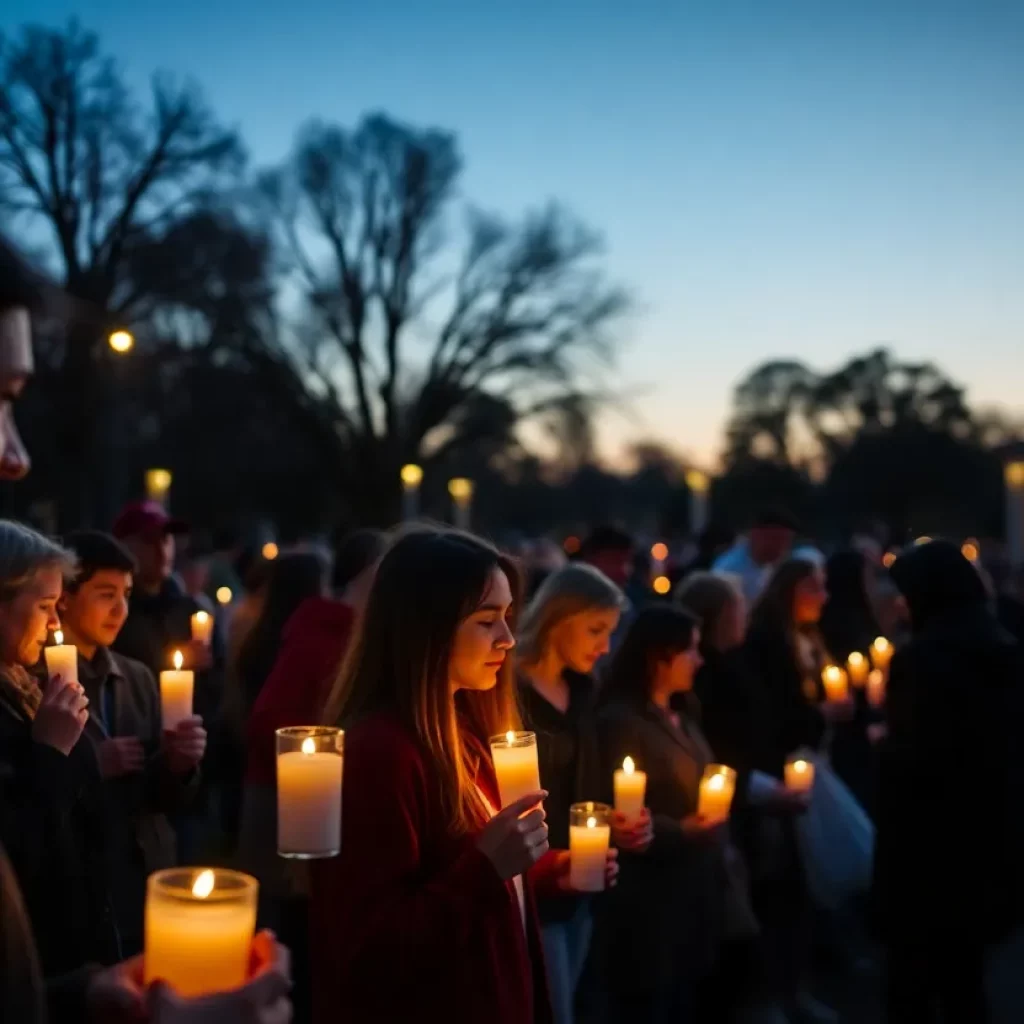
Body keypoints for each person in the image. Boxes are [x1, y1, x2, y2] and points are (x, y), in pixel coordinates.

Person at [311, 527, 554, 1024]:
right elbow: (369, 949)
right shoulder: (380, 755)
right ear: (428, 629)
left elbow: (482, 888)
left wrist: (552, 875)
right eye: (488, 621)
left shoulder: (464, 735)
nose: (508, 639)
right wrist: (488, 869)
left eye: (508, 617)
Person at [877, 541, 1024, 1022]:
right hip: (990, 836)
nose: (900, 603)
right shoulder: (1004, 650)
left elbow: (917, 758)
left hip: (928, 847)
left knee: (912, 984)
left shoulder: (922, 661)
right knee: (966, 980)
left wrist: (885, 743)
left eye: (907, 593)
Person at [58, 529, 207, 955]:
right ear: (64, 598)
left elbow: (161, 795)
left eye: (125, 593)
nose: (120, 608)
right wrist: (91, 763)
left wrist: (180, 766)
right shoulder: (40, 683)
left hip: (147, 873)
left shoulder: (138, 677)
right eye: (105, 594)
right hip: (82, 885)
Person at [516, 563, 641, 1024]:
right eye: (595, 630)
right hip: (536, 884)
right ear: (558, 617)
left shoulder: (584, 689)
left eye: (610, 632)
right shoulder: (509, 693)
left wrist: (622, 824)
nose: (605, 646)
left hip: (583, 882)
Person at [594, 605, 731, 1022]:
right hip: (652, 895)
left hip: (696, 884)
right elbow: (617, 809)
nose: (700, 659)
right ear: (659, 656)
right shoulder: (620, 721)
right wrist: (681, 830)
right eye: (690, 649)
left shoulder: (685, 713)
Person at [0, 521, 119, 974]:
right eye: (46, 606)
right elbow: (17, 848)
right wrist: (49, 751)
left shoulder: (24, 689)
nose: (55, 623)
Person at [111, 500, 210, 681]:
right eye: (149, 540)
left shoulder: (190, 610)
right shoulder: (115, 614)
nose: (161, 549)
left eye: (166, 539)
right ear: (123, 545)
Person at [713, 509, 798, 605]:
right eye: (777, 539)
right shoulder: (729, 570)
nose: (782, 547)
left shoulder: (770, 567)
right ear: (755, 534)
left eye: (787, 541)